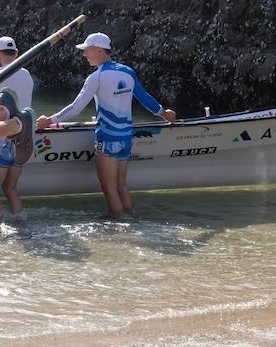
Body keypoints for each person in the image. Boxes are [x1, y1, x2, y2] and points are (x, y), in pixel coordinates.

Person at [37, 32, 176, 215]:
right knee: (121, 185)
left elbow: (76, 108)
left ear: (100, 50)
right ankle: (131, 221)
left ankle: (119, 229)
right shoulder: (128, 72)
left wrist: (49, 121)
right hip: (126, 137)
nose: (84, 54)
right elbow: (145, 99)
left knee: (109, 188)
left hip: (106, 138)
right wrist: (163, 113)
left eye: (87, 50)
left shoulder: (97, 77)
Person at [0, 36, 34, 221]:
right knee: (10, 189)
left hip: (2, 139)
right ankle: (20, 224)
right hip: (24, 138)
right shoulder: (27, 75)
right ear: (16, 53)